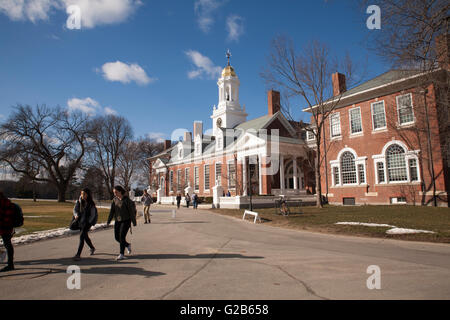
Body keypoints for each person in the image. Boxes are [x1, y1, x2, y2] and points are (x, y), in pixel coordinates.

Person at [107, 186, 137, 261]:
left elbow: (131, 212)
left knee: (121, 236)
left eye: (116, 192)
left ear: (120, 191)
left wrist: (134, 221)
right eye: (114, 192)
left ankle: (121, 254)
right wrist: (109, 220)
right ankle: (127, 245)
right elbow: (112, 211)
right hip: (118, 220)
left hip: (126, 221)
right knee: (117, 237)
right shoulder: (114, 200)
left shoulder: (127, 200)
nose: (115, 194)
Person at [72, 188, 98, 261]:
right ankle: (92, 248)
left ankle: (78, 254)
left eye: (84, 194)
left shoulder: (91, 204)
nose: (82, 195)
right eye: (81, 193)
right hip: (80, 221)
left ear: (88, 195)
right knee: (85, 236)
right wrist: (76, 215)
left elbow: (93, 214)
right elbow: (74, 210)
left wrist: (89, 222)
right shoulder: (79, 202)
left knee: (81, 236)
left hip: (87, 222)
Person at [0, 192, 15, 272]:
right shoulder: (6, 202)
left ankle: (10, 265)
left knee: (8, 245)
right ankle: (10, 264)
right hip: (5, 227)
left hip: (5, 227)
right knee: (7, 244)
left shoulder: (5, 203)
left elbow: (7, 217)